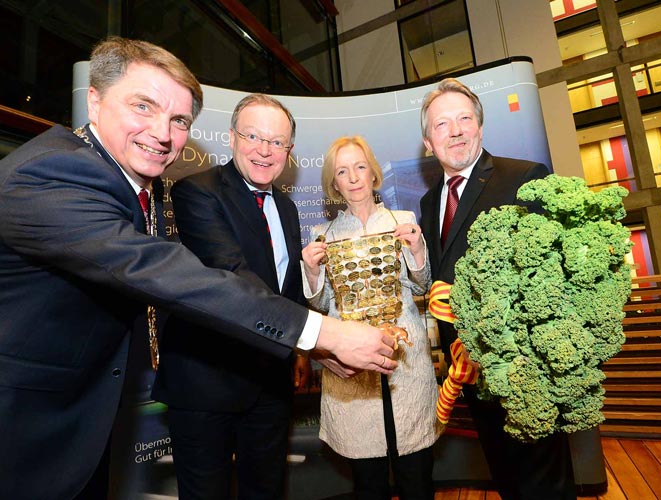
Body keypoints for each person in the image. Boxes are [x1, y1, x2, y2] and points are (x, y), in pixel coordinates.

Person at [0, 37, 398, 500]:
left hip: (87, 416)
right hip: (27, 424)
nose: (162, 132)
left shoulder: (133, 185)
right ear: (95, 99)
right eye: (143, 106)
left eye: (178, 120)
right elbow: (175, 274)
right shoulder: (54, 173)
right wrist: (323, 334)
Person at [418, 78, 577, 500]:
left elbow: (555, 273)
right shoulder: (429, 202)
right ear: (428, 142)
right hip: (468, 370)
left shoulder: (524, 176)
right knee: (506, 478)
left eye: (464, 118)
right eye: (441, 124)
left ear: (481, 128)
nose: (455, 130)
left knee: (544, 483)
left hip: (524, 369)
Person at [151, 93, 310, 499]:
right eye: (253, 136)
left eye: (277, 142)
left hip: (269, 384)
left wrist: (300, 353)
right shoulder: (197, 192)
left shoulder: (288, 209)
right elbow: (232, 275)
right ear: (232, 137)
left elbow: (285, 289)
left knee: (267, 491)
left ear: (288, 151)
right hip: (206, 383)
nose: (264, 150)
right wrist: (320, 337)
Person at [302, 136, 442, 500]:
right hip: (352, 369)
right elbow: (320, 307)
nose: (353, 177)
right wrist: (313, 273)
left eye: (360, 167)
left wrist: (416, 248)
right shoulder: (323, 236)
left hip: (406, 361)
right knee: (368, 482)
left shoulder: (404, 221)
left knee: (417, 478)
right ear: (334, 183)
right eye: (342, 171)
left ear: (373, 173)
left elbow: (423, 285)